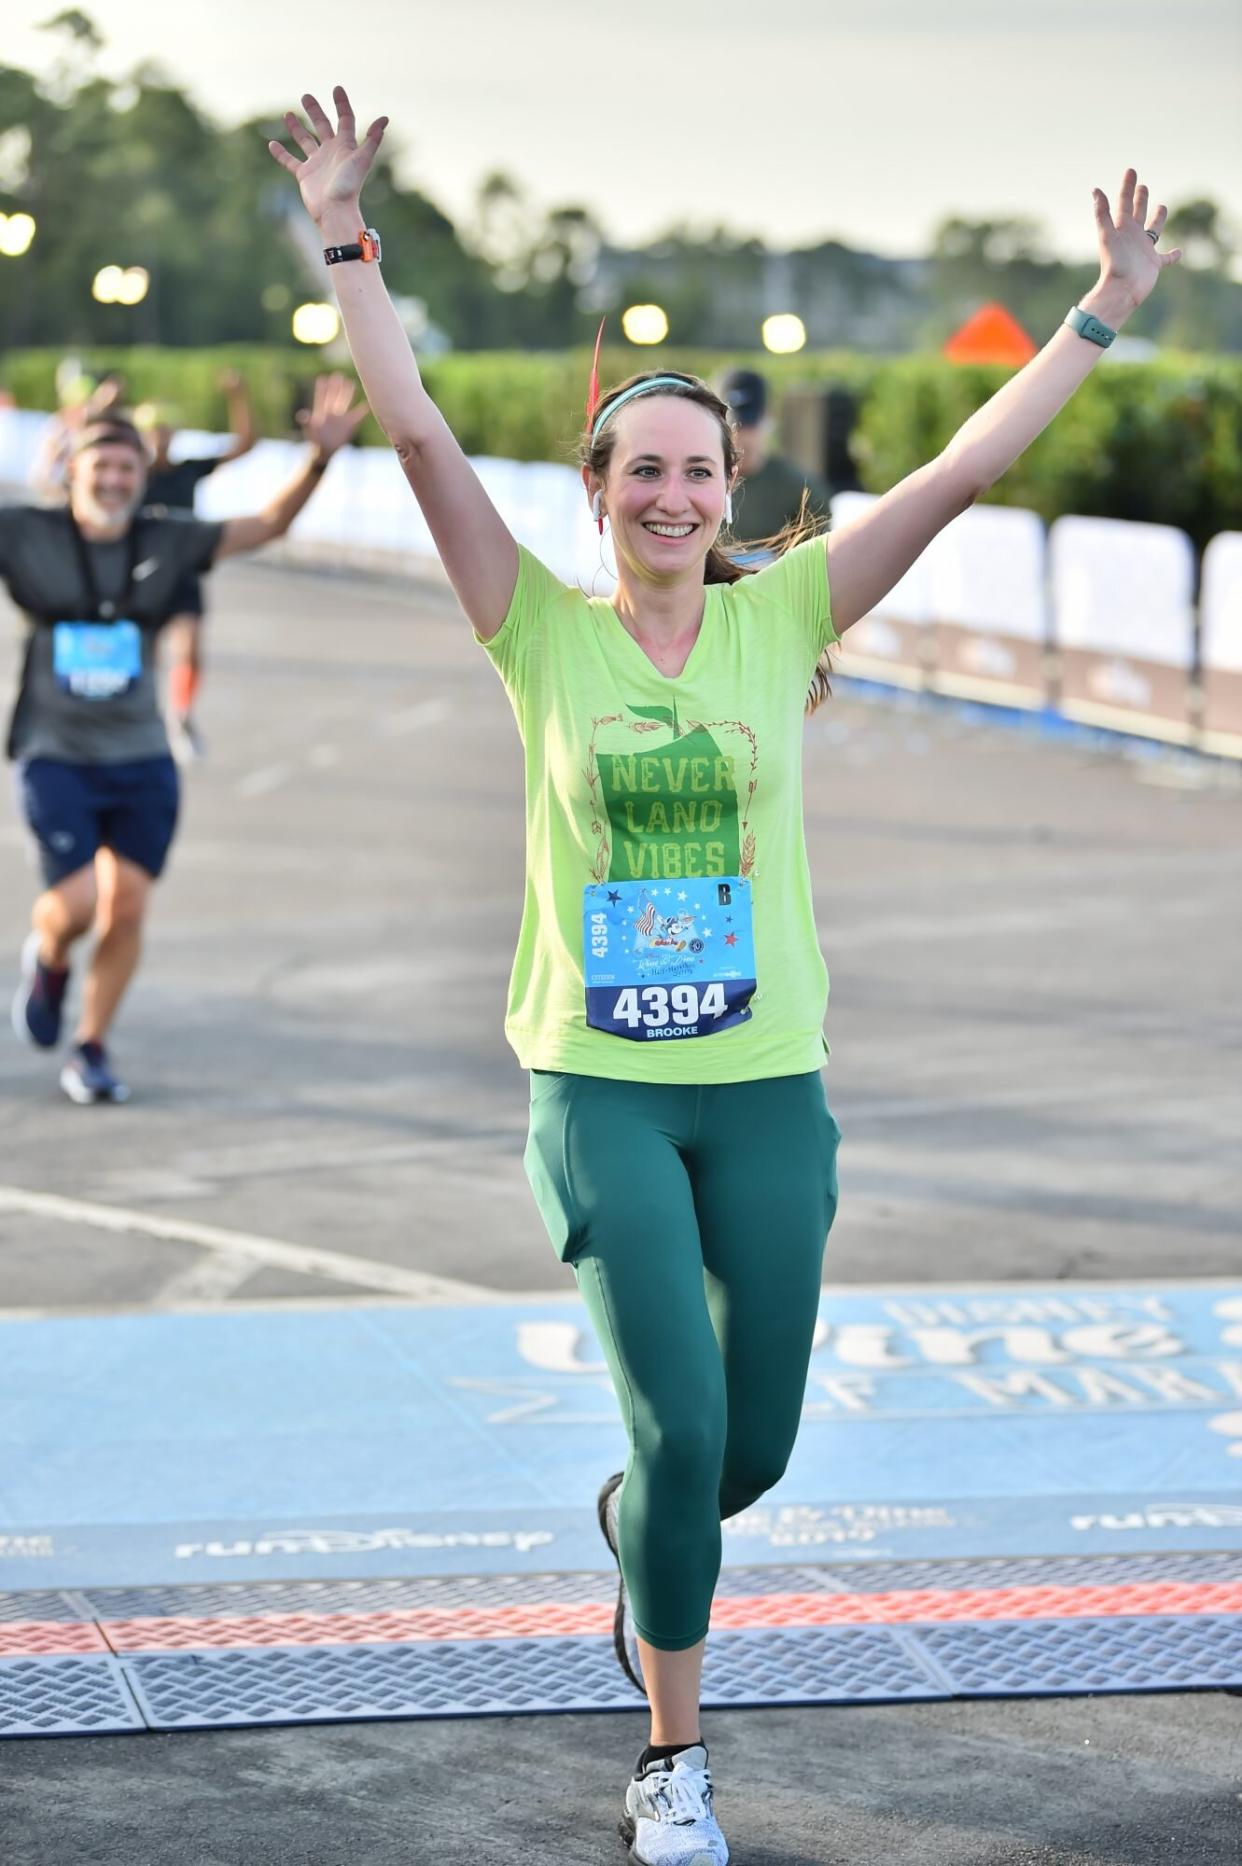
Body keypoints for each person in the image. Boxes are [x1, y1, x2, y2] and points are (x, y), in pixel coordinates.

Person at [269, 94, 1178, 1866]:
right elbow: (413, 424)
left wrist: (1101, 309)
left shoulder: (785, 622)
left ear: (727, 494)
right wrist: (343, 232)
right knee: (684, 1423)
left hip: (765, 1084)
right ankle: (674, 1758)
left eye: (699, 469)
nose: (673, 494)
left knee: (740, 1455)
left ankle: (639, 1527)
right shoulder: (535, 631)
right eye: (642, 471)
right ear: (598, 498)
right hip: (598, 1085)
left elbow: (960, 469)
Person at [5, 375, 365, 1104]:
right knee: (72, 906)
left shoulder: (168, 539)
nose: (112, 479)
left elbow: (266, 525)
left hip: (140, 754)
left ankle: (91, 1047)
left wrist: (318, 461)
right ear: (72, 469)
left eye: (127, 469)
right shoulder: (25, 533)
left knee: (128, 906)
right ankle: (47, 956)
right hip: (57, 751)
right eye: (100, 466)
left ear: (144, 478)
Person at [137, 370, 258, 762]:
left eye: (166, 430)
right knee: (143, 655)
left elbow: (244, 445)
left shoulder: (189, 469)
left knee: (189, 650)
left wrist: (238, 398)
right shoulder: (131, 474)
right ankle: (141, 719)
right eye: (153, 431)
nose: (160, 437)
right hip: (140, 577)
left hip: (184, 572)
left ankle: (181, 716)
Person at [716, 366, 832, 549]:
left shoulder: (801, 489)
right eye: (733, 425)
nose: (741, 436)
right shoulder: (700, 482)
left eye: (749, 425)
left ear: (768, 419)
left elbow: (817, 557)